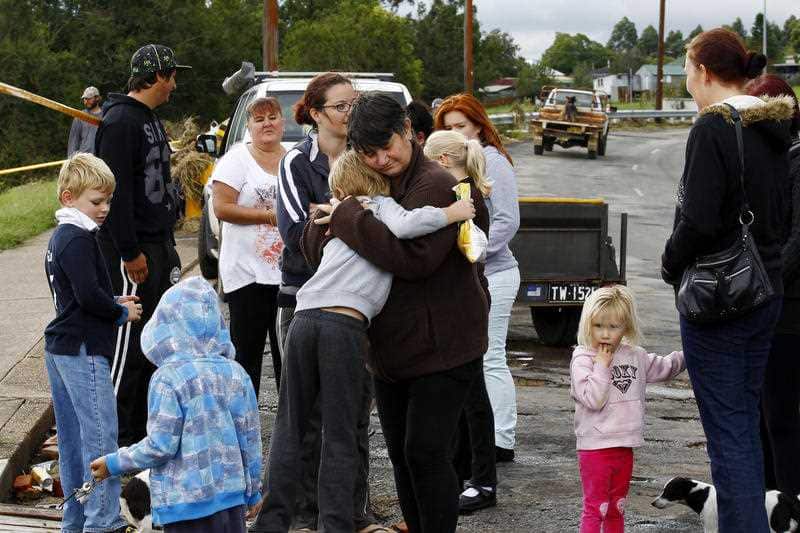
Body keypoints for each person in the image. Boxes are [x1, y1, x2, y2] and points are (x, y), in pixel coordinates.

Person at [251, 150, 475, 533]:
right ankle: (335, 524)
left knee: (290, 425)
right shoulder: (376, 206)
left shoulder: (336, 215)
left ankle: (270, 523)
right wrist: (454, 213)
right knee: (339, 431)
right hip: (343, 324)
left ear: (339, 186)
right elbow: (409, 226)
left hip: (304, 316)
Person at [306, 93, 490, 533]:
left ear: (408, 130)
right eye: (368, 152)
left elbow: (414, 259)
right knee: (403, 455)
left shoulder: (435, 183)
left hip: (445, 345)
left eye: (387, 146)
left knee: (425, 451)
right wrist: (333, 224)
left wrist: (347, 216)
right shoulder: (366, 178)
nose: (382, 159)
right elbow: (315, 246)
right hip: (391, 351)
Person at [660, 28, 794, 532]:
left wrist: (670, 264)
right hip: (767, 291)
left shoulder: (713, 128)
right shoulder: (775, 126)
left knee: (729, 434)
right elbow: (779, 216)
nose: (689, 81)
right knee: (743, 427)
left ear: (706, 73)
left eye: (689, 70)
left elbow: (697, 220)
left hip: (720, 299)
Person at [273, 72, 380, 532]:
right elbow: (298, 236)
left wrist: (339, 219)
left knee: (355, 417)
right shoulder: (297, 163)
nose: (350, 114)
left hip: (361, 310)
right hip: (306, 301)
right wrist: (356, 224)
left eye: (355, 104)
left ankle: (353, 510)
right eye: (341, 106)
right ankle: (305, 513)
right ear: (315, 113)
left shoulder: (368, 158)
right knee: (307, 421)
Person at [90, 276, 263, 533]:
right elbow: (250, 438)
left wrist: (114, 463)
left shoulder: (167, 379)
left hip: (185, 506)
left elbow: (160, 446)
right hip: (231, 501)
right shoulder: (236, 374)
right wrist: (253, 491)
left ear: (167, 325)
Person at [94, 44, 190, 447]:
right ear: (154, 77)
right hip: (132, 251)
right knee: (128, 344)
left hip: (159, 241)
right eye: (170, 76)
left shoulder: (148, 119)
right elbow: (113, 192)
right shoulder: (119, 123)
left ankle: (144, 432)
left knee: (155, 338)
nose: (173, 85)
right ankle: (115, 438)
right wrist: (129, 250)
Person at [44, 153, 143, 533]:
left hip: (61, 346)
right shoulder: (79, 239)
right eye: (96, 202)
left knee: (72, 442)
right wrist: (120, 313)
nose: (104, 209)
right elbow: (88, 297)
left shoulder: (61, 237)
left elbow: (75, 294)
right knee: (101, 436)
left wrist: (112, 299)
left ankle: (75, 519)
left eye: (108, 201)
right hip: (83, 349)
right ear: (69, 198)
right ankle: (102, 521)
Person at [435, 93, 521, 511]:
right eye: (447, 126)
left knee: (489, 359)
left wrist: (475, 253)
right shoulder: (447, 172)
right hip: (473, 275)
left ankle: (500, 440)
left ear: (478, 126)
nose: (455, 132)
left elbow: (505, 221)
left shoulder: (491, 162)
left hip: (495, 272)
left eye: (461, 125)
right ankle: (475, 452)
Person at [571, 285, 684, 533]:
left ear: (627, 326)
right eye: (598, 325)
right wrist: (602, 366)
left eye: (613, 327)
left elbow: (666, 367)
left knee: (617, 507)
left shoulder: (635, 355)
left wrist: (691, 353)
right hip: (594, 448)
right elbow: (593, 399)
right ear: (587, 324)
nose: (605, 334)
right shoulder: (583, 358)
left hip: (624, 446)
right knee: (596, 508)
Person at [746, 74, 800, 496]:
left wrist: (763, 281)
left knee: (781, 416)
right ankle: (769, 500)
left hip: (788, 307)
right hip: (775, 302)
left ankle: (787, 501)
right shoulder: (775, 157)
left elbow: (796, 240)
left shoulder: (795, 160)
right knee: (766, 414)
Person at [212, 96, 285, 396]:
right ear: (249, 126)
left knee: (288, 356)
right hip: (247, 275)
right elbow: (222, 208)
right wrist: (270, 216)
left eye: (273, 117)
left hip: (286, 275)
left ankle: (291, 435)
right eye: (259, 119)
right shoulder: (236, 159)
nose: (267, 123)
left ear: (283, 121)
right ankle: (242, 429)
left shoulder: (295, 158)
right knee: (246, 356)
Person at [67, 86, 102, 156]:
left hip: (100, 159)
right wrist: (72, 158)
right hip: (84, 159)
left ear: (97, 98)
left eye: (89, 99)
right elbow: (73, 141)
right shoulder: (80, 116)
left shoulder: (105, 116)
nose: (86, 101)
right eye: (84, 99)